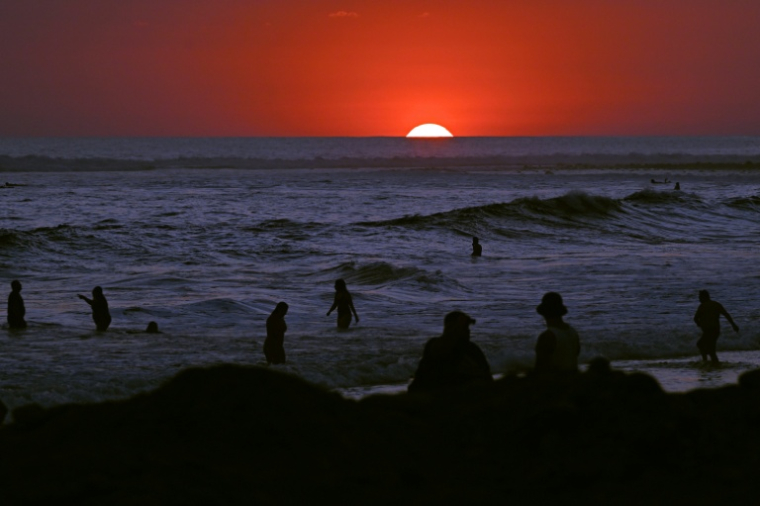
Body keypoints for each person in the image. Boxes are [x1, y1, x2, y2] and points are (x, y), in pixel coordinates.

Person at [408, 311, 492, 392]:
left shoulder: (472, 349)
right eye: (464, 328)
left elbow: (487, 376)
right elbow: (440, 352)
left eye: (467, 327)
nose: (468, 331)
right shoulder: (436, 345)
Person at [534, 292, 581, 372]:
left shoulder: (548, 336)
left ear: (544, 313)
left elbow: (540, 368)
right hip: (573, 379)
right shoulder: (573, 331)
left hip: (556, 381)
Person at [693, 290, 739, 364]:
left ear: (704, 297)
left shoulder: (702, 306)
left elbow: (695, 318)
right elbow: (726, 315)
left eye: (700, 297)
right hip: (716, 330)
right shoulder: (716, 304)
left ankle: (708, 362)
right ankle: (709, 362)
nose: (699, 299)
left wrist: (699, 324)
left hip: (708, 331)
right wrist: (733, 325)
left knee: (703, 345)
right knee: (708, 347)